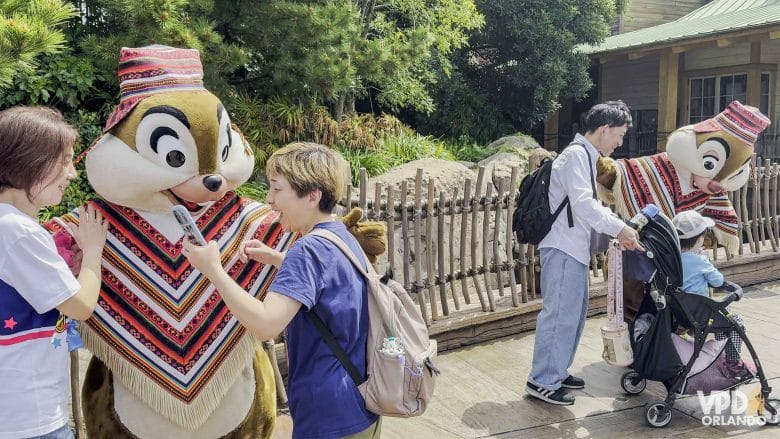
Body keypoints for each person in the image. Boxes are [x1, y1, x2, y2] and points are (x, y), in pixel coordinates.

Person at [181, 142, 380, 438]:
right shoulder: (341, 237)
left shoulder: (307, 250)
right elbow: (328, 280)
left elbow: (265, 323)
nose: (269, 200)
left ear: (312, 196)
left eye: (277, 189)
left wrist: (213, 271)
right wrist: (276, 258)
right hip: (360, 405)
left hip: (326, 417)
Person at [526, 100, 645, 406]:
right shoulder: (576, 156)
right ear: (604, 130)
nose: (619, 143)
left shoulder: (584, 156)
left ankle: (556, 371)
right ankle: (542, 381)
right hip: (563, 248)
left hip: (571, 248)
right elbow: (583, 205)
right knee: (560, 316)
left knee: (573, 315)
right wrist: (619, 228)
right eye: (619, 135)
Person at [0, 106, 108, 439]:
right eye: (63, 161)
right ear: (31, 161)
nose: (71, 174)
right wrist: (93, 252)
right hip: (28, 416)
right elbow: (80, 306)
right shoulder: (16, 230)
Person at [672, 210, 752, 381]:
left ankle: (720, 354)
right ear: (700, 239)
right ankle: (732, 362)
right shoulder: (700, 261)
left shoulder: (672, 260)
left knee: (723, 323)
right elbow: (717, 281)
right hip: (702, 315)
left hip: (680, 314)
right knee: (736, 323)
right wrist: (706, 261)